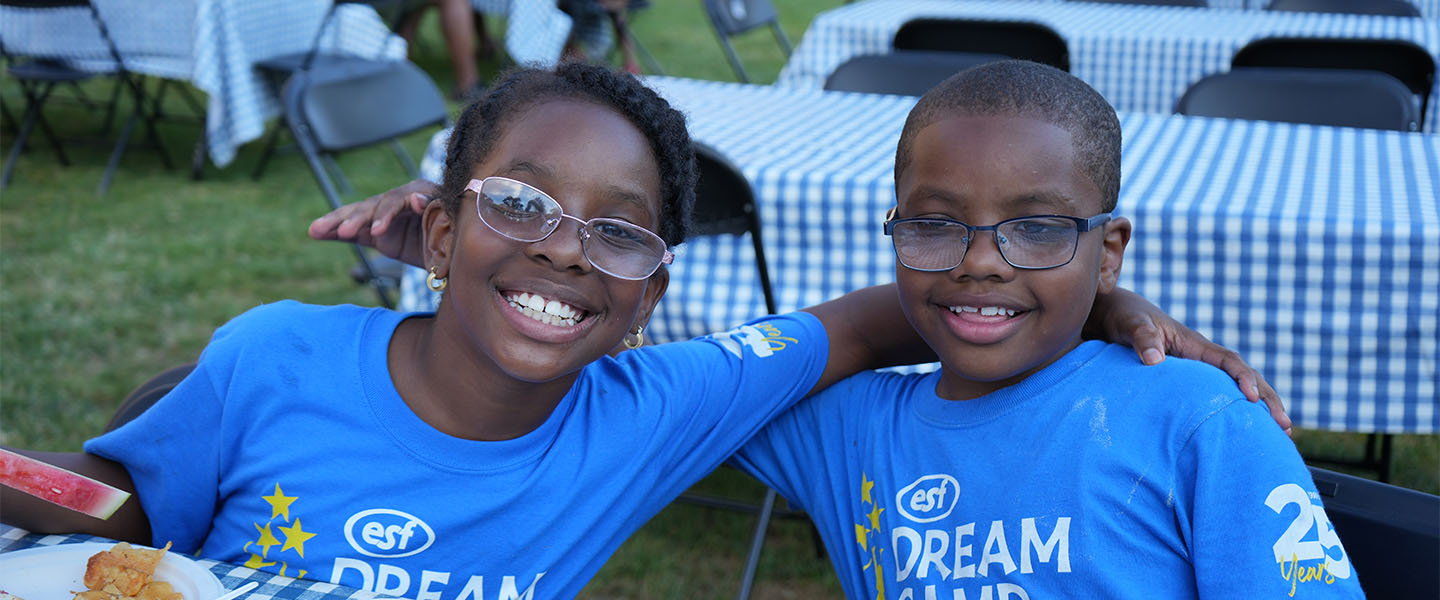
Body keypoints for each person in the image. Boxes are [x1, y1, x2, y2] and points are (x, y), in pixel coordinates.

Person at [3, 63, 1279, 600]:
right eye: (518, 207)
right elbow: (119, 514)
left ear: (653, 294)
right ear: (439, 230)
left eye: (619, 232)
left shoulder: (649, 407)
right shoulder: (276, 353)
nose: (564, 249)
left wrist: (1085, 295)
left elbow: (891, 312)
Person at [729, 60, 1362, 598]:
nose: (980, 263)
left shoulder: (1201, 418)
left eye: (1038, 229)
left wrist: (1098, 303)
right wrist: (1096, 303)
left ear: (1108, 253)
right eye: (935, 224)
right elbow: (696, 380)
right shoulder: (844, 428)